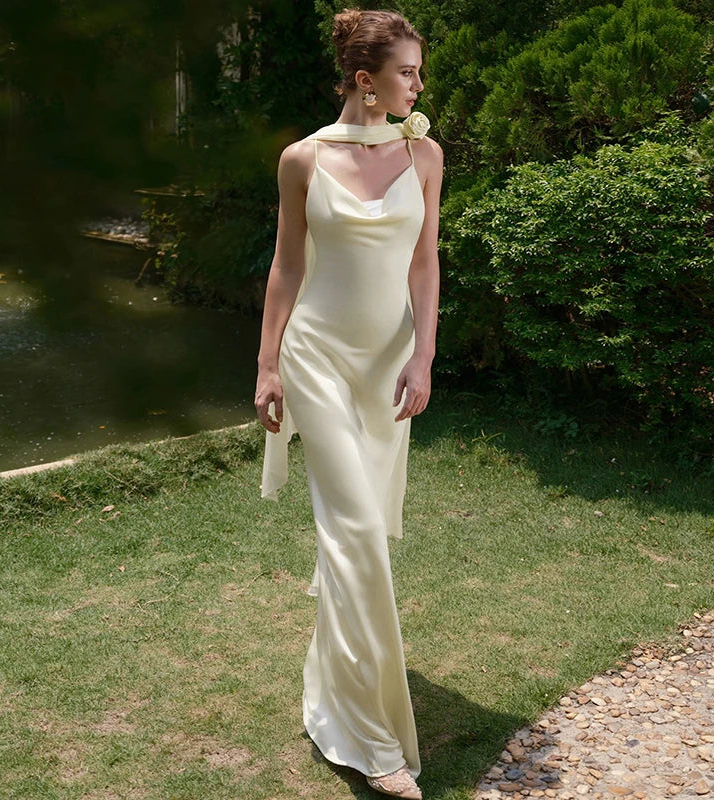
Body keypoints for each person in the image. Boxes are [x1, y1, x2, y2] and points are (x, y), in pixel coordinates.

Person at [254, 8, 442, 799]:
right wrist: (268, 366)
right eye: (407, 72)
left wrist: (425, 356)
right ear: (365, 81)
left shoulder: (424, 154)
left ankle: (332, 688)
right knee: (356, 529)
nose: (419, 85)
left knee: (361, 535)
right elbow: (287, 269)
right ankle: (371, 742)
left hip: (387, 363)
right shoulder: (302, 159)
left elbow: (426, 264)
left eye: (419, 72)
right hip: (318, 359)